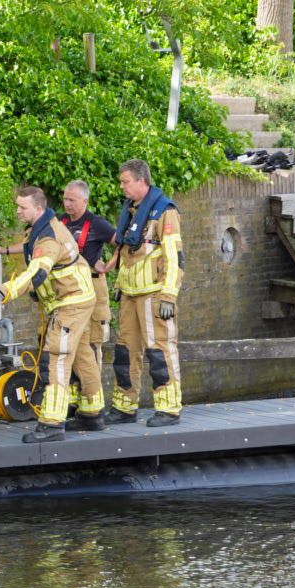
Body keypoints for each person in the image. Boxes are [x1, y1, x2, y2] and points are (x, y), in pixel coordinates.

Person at [0, 186, 103, 443]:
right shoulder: (41, 228)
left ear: (38, 209)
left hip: (71, 302)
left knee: (58, 356)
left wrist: (2, 292)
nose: (18, 211)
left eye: (22, 207)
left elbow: (37, 272)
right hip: (77, 297)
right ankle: (92, 413)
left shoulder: (48, 238)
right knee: (83, 355)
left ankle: (52, 423)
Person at [109, 160, 184, 427]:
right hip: (130, 293)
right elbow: (128, 255)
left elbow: (174, 257)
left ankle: (169, 408)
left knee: (160, 351)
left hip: (154, 296)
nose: (121, 187)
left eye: (125, 182)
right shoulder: (131, 210)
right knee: (125, 352)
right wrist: (118, 285)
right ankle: (125, 406)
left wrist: (169, 296)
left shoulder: (165, 211)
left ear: (142, 181)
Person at [59, 180, 116, 418]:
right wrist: (6, 251)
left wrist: (109, 265)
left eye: (72, 200)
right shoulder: (60, 222)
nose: (67, 204)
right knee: (69, 341)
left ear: (85, 201)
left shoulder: (96, 223)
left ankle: (91, 400)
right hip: (69, 290)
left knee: (92, 343)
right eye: (65, 199)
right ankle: (73, 400)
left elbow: (120, 242)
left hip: (93, 286)